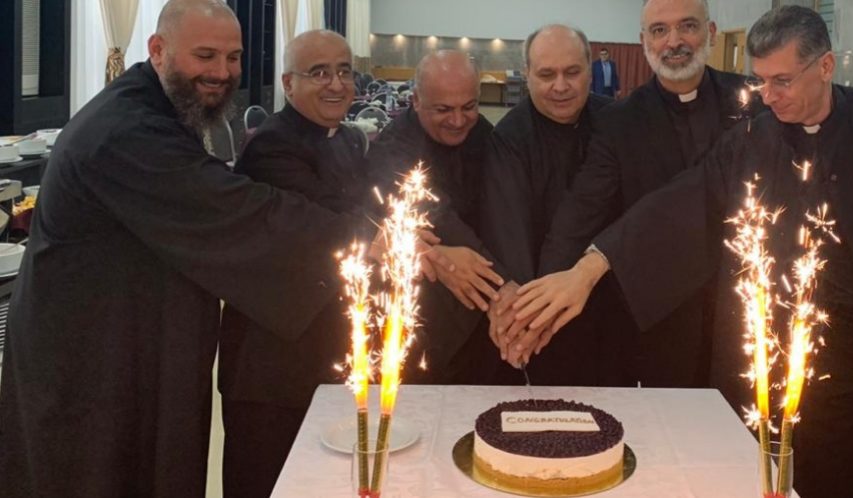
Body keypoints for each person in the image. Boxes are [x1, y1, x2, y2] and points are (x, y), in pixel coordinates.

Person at [512, 6, 853, 497]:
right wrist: (589, 268)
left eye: (782, 81)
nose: (768, 96)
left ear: (825, 67)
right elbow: (681, 202)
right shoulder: (754, 139)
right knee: (822, 471)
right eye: (762, 81)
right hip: (820, 356)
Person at [0, 2, 365, 496]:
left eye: (233, 58)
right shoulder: (125, 128)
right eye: (205, 55)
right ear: (158, 50)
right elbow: (231, 209)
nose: (222, 72)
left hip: (135, 340)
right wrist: (364, 240)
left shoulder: (160, 107)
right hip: (90, 357)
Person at [499, 0, 761, 388]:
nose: (674, 41)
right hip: (666, 309)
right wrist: (538, 312)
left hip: (743, 301)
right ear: (644, 41)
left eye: (687, 26)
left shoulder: (755, 102)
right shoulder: (620, 120)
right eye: (659, 30)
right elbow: (579, 215)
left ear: (710, 33)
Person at [217, 30, 371, 498]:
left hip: (325, 349)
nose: (336, 84)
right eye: (319, 73)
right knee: (268, 480)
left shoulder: (348, 140)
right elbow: (331, 217)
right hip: (271, 363)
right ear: (288, 83)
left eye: (344, 71)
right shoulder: (271, 146)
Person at [476, 24, 613, 385]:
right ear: (527, 75)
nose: (561, 86)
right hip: (537, 299)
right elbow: (509, 233)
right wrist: (529, 320)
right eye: (547, 75)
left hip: (607, 297)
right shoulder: (509, 136)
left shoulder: (616, 121)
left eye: (572, 72)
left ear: (590, 70)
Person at [366, 50, 505, 383]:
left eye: (469, 107)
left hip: (485, 308)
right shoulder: (392, 147)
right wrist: (500, 282)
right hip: (426, 313)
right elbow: (434, 213)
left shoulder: (483, 132)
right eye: (443, 110)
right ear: (415, 100)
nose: (458, 121)